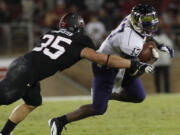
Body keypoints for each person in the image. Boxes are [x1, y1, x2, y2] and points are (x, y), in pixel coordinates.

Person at [0, 12, 152, 135]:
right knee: (4, 98)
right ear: (79, 27)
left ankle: (5, 132)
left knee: (33, 102)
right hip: (26, 74)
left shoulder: (50, 33)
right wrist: (133, 63)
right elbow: (102, 59)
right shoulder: (80, 41)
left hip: (21, 65)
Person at [48, 4, 174, 135]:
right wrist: (150, 61)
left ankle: (108, 95)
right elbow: (133, 72)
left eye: (152, 21)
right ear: (138, 20)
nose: (151, 26)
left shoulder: (131, 20)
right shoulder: (130, 42)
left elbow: (144, 34)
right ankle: (59, 121)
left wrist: (159, 45)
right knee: (99, 108)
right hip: (105, 66)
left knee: (138, 96)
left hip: (121, 60)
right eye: (148, 22)